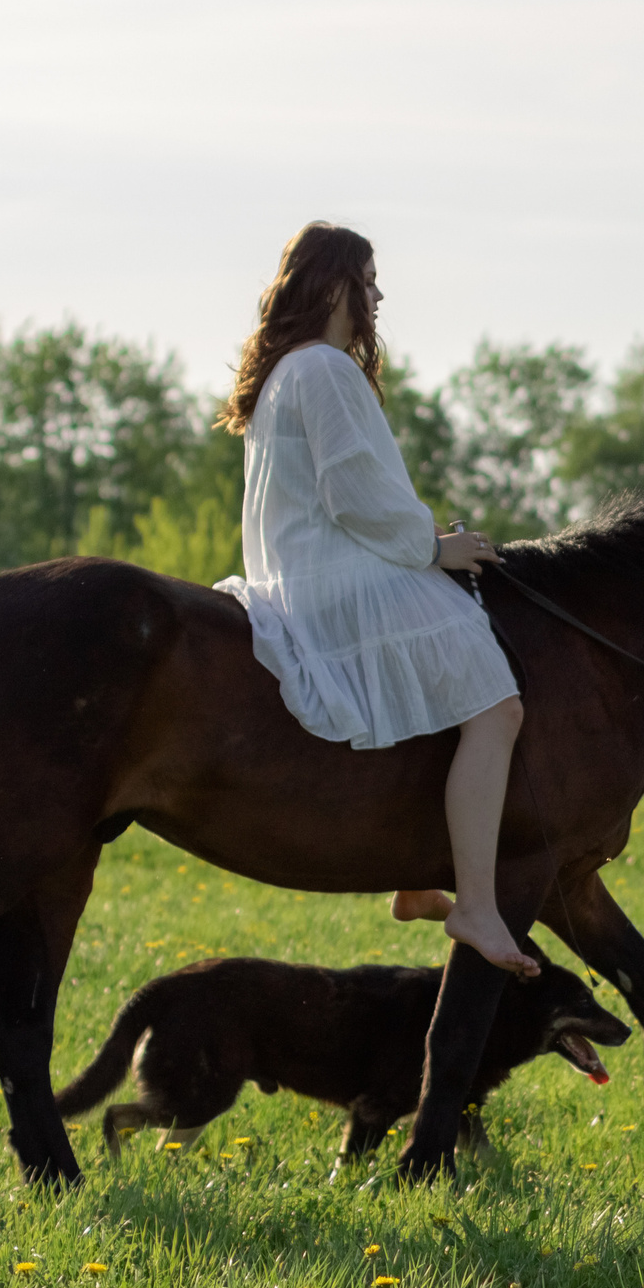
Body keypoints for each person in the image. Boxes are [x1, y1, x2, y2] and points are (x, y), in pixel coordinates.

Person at [214, 223, 538, 978]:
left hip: (301, 578)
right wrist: (435, 548)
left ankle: (419, 877)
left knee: (435, 685)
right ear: (335, 286)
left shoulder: (286, 373)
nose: (379, 294)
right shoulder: (324, 368)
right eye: (369, 277)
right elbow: (354, 492)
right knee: (498, 706)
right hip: (337, 582)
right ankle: (477, 905)